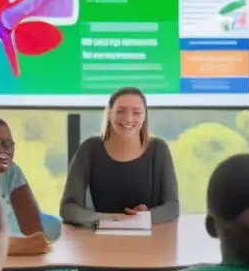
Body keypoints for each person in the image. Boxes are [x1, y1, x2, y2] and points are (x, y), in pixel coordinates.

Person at [0, 115, 75, 271]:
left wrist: (7, 246)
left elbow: (36, 235)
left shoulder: (11, 172)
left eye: (8, 144)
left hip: (26, 264)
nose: (3, 150)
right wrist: (23, 245)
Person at [60, 87, 179, 227]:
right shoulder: (89, 149)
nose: (128, 118)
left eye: (136, 112)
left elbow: (172, 206)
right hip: (99, 239)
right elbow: (68, 208)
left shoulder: (159, 149)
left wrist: (146, 216)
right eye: (121, 111)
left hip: (148, 238)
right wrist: (106, 219)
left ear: (144, 116)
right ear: (110, 113)